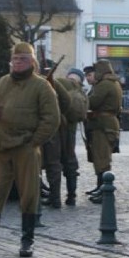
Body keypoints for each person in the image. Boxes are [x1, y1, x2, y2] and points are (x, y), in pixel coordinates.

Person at [0, 42, 59, 257]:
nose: (17, 63)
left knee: (28, 194)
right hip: (1, 148)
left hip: (26, 149)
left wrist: (33, 141)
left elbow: (51, 119)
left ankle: (27, 241)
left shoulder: (41, 86)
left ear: (32, 62)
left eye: (23, 59)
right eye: (15, 59)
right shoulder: (3, 83)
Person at [84, 59, 122, 204]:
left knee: (102, 158)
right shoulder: (113, 82)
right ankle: (101, 187)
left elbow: (93, 102)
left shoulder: (105, 84)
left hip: (102, 125)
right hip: (107, 123)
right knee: (101, 157)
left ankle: (104, 189)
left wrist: (83, 99)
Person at [39, 62, 72, 209]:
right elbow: (66, 101)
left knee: (45, 163)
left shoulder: (38, 83)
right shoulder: (53, 83)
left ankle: (53, 197)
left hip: (43, 126)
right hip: (54, 126)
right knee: (54, 163)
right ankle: (55, 197)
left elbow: (66, 101)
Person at [53, 68, 89, 206]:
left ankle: (54, 197)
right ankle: (71, 196)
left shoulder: (59, 82)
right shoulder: (82, 92)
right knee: (70, 161)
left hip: (57, 128)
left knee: (54, 161)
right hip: (71, 130)